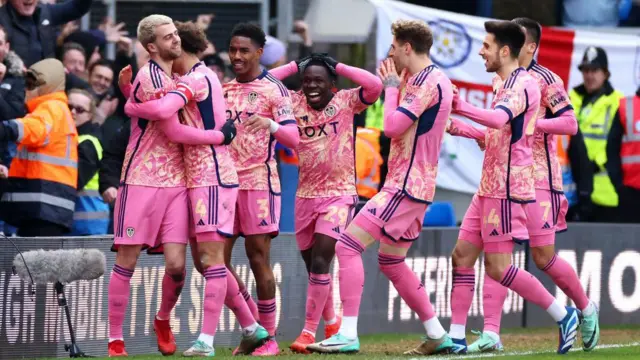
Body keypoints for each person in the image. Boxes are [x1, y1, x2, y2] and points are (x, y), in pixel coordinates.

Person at [447, 17, 599, 353]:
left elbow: (570, 124)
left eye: (489, 46)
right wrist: (459, 127)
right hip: (498, 179)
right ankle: (482, 333)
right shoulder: (502, 83)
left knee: (539, 257)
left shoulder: (541, 81)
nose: (483, 52)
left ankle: (582, 309)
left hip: (536, 179)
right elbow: (495, 132)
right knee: (474, 255)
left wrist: (530, 123)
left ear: (526, 46)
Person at [118, 20, 268, 357]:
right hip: (197, 178)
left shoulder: (196, 79)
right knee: (206, 263)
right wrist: (131, 95)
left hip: (211, 176)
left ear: (180, 48)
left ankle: (206, 341)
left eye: (174, 42)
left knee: (211, 260)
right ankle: (253, 328)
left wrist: (130, 104)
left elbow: (167, 123)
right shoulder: (188, 79)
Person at [308, 19, 454, 355]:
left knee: (346, 246)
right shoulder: (432, 79)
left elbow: (391, 127)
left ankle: (347, 333)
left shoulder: (425, 82)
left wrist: (390, 87)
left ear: (406, 47)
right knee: (391, 260)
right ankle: (437, 334)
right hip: (415, 187)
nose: (389, 54)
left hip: (404, 186)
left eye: (392, 48)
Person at [106, 14, 226, 357]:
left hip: (177, 180)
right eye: (168, 37)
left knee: (176, 265)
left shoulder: (178, 76)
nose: (176, 40)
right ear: (150, 47)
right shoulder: (149, 75)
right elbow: (168, 122)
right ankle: (115, 340)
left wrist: (129, 99)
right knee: (127, 261)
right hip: (140, 178)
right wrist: (220, 136)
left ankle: (162, 319)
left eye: (176, 34)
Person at [267, 53, 383, 352]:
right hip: (305, 197)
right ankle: (332, 323)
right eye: (307, 81)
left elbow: (374, 86)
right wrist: (295, 65)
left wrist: (339, 66)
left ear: (332, 84)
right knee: (313, 268)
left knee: (322, 261)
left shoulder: (345, 101)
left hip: (339, 194)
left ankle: (307, 332)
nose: (311, 86)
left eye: (319, 80)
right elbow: (264, 81)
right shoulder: (292, 103)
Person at [223, 22, 300, 356]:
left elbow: (294, 139)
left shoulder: (275, 90)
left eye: (244, 50)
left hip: (258, 183)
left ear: (258, 53)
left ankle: (268, 338)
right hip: (224, 185)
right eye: (233, 49)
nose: (237, 56)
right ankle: (254, 327)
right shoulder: (222, 89)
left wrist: (271, 124)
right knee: (214, 264)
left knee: (258, 259)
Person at [0, 58, 78, 236]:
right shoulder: (53, 109)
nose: (27, 89)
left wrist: (6, 129)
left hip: (44, 206)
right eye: (26, 84)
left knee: (33, 262)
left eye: (32, 84)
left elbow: (34, 129)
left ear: (47, 85)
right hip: (46, 206)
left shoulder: (52, 107)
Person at [569, 46, 624, 222]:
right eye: (586, 70)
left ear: (606, 73)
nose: (589, 75)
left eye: (595, 70)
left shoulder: (617, 101)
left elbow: (619, 143)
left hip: (604, 191)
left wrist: (592, 164)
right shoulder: (570, 98)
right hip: (571, 189)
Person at [0, 0, 94, 67]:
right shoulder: (2, 19)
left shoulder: (45, 12)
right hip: (13, 88)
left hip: (47, 86)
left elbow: (77, 8)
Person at [68, 88, 110, 235]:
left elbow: (75, 181)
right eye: (68, 107)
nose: (72, 112)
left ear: (90, 116)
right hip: (79, 220)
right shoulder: (72, 137)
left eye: (79, 110)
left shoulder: (88, 143)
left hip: (86, 223)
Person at [607, 87, 640, 223]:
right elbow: (612, 149)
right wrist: (619, 186)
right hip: (631, 193)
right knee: (630, 242)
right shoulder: (627, 106)